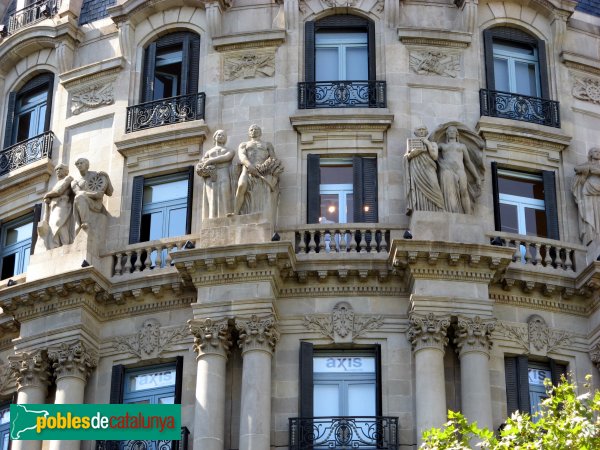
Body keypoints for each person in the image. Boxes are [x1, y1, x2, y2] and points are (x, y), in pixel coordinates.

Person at [233, 124, 283, 215]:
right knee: (241, 185)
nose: (254, 131)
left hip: (262, 170)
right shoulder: (244, 144)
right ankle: (235, 212)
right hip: (247, 169)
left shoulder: (267, 144)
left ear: (260, 132)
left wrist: (264, 166)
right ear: (249, 133)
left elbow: (273, 158)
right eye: (251, 129)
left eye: (256, 129)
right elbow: (242, 157)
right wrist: (249, 166)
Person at [437, 126, 481, 214]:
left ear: (457, 134)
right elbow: (433, 153)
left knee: (464, 191)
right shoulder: (442, 146)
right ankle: (453, 212)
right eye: (449, 131)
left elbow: (468, 162)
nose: (451, 132)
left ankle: (468, 213)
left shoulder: (462, 146)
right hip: (447, 170)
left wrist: (477, 177)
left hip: (460, 170)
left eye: (454, 131)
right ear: (447, 134)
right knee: (450, 192)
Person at [405, 125, 445, 214]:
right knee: (419, 189)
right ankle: (421, 211)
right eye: (419, 130)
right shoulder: (411, 143)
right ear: (416, 133)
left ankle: (440, 208)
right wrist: (414, 153)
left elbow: (435, 156)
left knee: (434, 186)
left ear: (427, 132)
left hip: (429, 168)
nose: (422, 132)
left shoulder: (433, 144)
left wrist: (427, 143)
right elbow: (407, 156)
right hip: (416, 168)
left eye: (423, 130)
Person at [197, 130, 235, 219]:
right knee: (212, 196)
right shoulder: (209, 152)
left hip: (224, 172)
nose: (221, 136)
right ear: (215, 137)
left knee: (225, 193)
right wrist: (200, 167)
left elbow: (227, 157)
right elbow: (201, 163)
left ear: (225, 139)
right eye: (219, 134)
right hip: (211, 175)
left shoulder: (230, 150)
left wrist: (211, 160)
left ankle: (226, 216)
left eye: (223, 135)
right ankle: (212, 218)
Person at [71, 158, 113, 233]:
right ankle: (84, 221)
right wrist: (95, 194)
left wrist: (107, 177)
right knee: (79, 197)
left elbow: (110, 193)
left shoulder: (96, 175)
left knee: (80, 197)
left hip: (96, 205)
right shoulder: (75, 182)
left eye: (81, 163)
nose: (79, 165)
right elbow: (78, 193)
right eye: (77, 164)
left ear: (87, 165)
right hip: (84, 202)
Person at [41, 164, 74, 248]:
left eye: (60, 169)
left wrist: (47, 195)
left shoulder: (68, 179)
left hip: (63, 204)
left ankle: (65, 244)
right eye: (56, 169)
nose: (58, 171)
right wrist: (48, 198)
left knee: (59, 222)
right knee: (53, 226)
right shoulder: (56, 183)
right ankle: (55, 245)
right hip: (54, 206)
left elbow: (59, 191)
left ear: (66, 171)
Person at [572, 147, 600, 245]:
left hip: (597, 192)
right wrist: (589, 169)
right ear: (590, 154)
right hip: (587, 192)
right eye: (595, 151)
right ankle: (591, 236)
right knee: (589, 214)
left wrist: (591, 169)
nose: (598, 153)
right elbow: (576, 168)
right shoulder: (587, 164)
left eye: (599, 152)